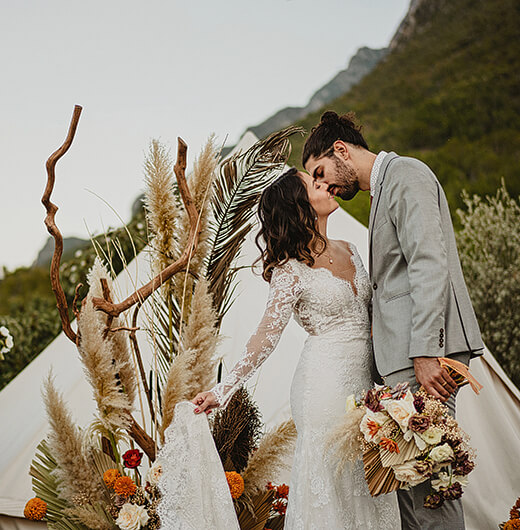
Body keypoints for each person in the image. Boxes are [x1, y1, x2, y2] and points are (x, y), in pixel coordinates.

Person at [302, 111, 484, 530]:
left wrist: (425, 350)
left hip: (426, 357)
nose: (325, 185)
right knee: (411, 486)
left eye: (322, 172)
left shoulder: (405, 174)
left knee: (432, 491)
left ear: (341, 150)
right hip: (405, 360)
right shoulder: (382, 190)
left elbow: (428, 263)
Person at [192, 166, 399, 529]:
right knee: (333, 484)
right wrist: (223, 389)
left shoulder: (351, 250)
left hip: (366, 384)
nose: (324, 184)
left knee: (369, 483)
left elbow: (373, 318)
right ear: (298, 205)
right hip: (323, 386)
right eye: (312, 183)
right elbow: (266, 334)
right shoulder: (290, 270)